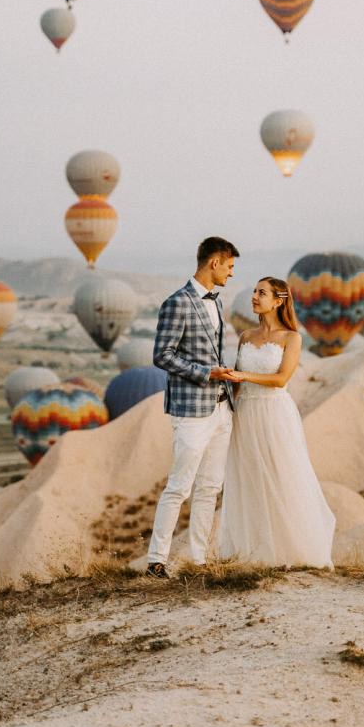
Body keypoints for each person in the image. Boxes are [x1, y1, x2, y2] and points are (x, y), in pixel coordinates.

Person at [218, 276, 335, 568]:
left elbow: (281, 378)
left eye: (261, 293)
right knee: (249, 480)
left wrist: (244, 377)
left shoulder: (291, 338)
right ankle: (253, 553)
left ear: (279, 300)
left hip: (274, 414)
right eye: (254, 292)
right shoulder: (245, 336)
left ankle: (292, 551)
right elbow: (235, 383)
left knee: (282, 475)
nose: (254, 297)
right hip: (245, 414)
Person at [145, 236, 239, 578]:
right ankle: (157, 560)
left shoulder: (218, 302)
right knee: (180, 486)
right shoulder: (177, 303)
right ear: (214, 263)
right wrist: (205, 373)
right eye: (229, 267)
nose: (231, 274)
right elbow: (162, 355)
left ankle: (198, 559)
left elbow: (213, 351)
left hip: (221, 409)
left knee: (210, 487)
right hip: (191, 411)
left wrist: (228, 378)